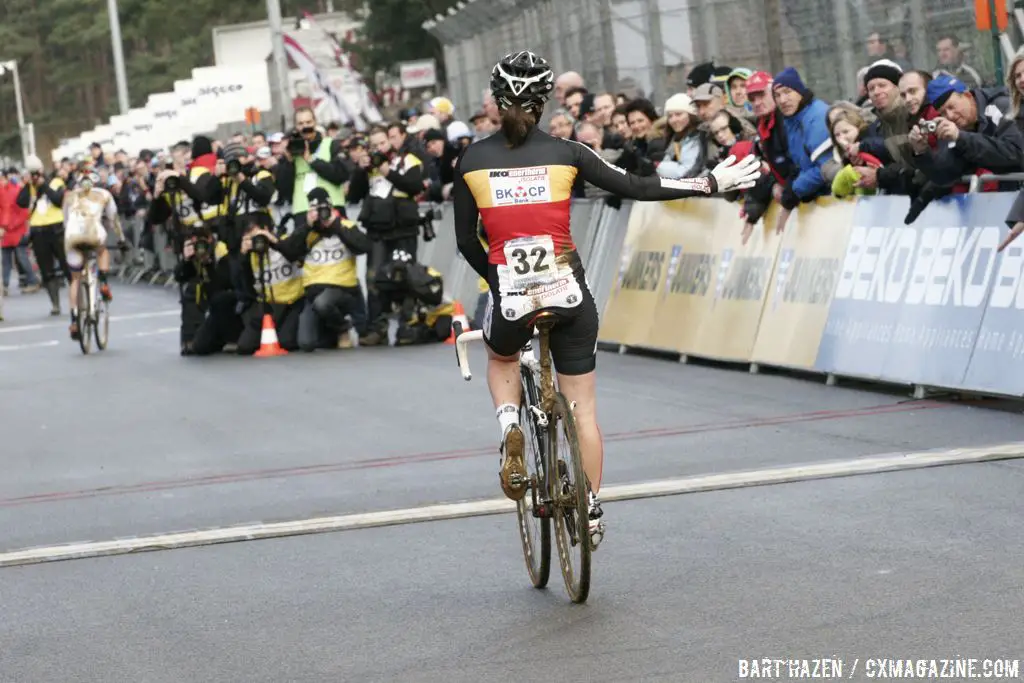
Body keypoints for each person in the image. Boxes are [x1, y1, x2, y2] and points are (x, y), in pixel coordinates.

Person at [453, 50, 760, 547]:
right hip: (567, 288)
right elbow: (637, 185)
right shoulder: (568, 151)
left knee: (500, 355)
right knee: (584, 411)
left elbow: (467, 240)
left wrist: (496, 277)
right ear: (545, 98)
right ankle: (592, 507)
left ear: (495, 98)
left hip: (511, 289)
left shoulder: (471, 159)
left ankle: (510, 424)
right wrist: (709, 181)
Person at [62, 168, 127, 340]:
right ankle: (104, 281)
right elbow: (114, 219)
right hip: (94, 233)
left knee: (75, 279)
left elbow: (66, 221)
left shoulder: (70, 196)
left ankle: (74, 320)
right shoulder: (104, 194)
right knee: (102, 250)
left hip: (73, 236)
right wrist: (121, 239)